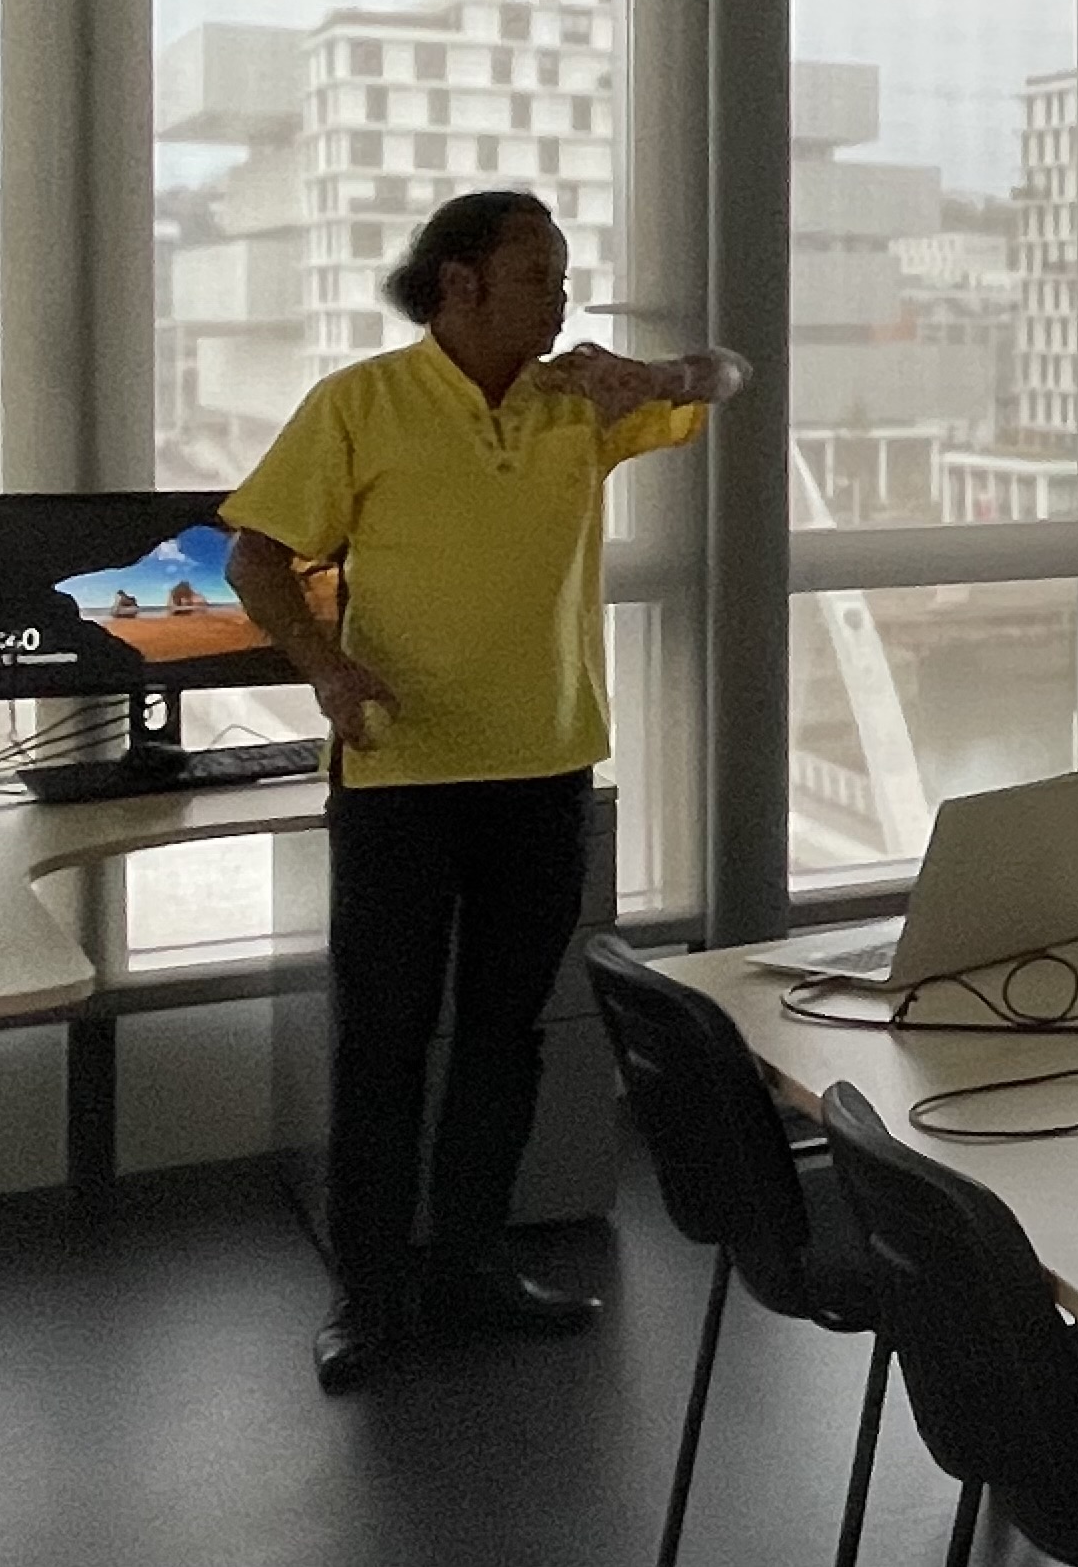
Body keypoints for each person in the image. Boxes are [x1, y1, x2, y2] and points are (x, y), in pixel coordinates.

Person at [222, 192, 747, 1393]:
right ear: (460, 284)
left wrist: (661, 373)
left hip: (544, 769)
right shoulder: (362, 403)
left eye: (562, 275)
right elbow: (255, 554)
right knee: (385, 1042)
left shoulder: (579, 404)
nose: (561, 298)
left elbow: (733, 374)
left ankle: (472, 1264)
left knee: (506, 1040)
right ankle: (369, 1292)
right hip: (401, 777)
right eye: (539, 275)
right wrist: (324, 665)